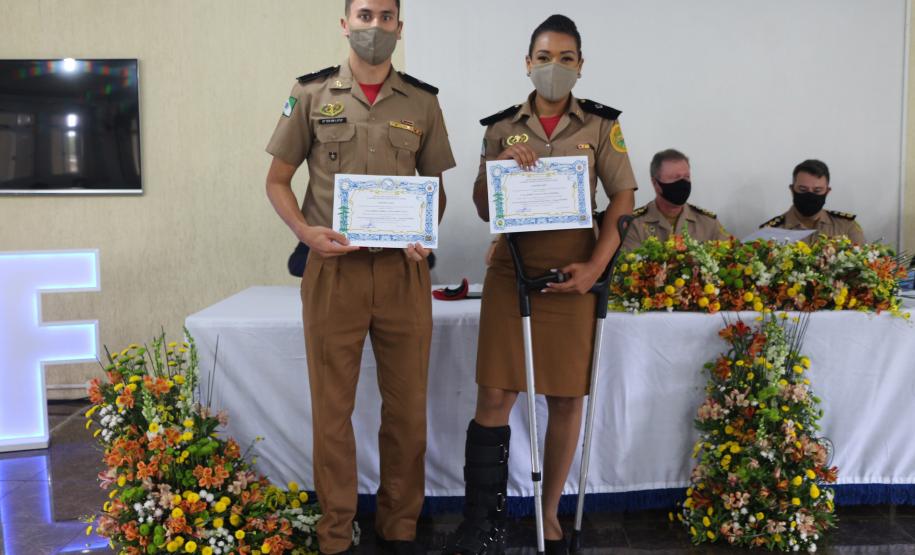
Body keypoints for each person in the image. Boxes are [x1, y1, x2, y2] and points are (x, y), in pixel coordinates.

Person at [264, 1, 456, 553]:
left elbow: (434, 188)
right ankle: (334, 533)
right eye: (364, 15)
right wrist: (304, 232)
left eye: (386, 17)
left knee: (407, 412)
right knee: (332, 412)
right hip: (334, 272)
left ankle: (399, 527)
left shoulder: (423, 101)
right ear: (345, 23)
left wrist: (425, 233)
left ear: (400, 26)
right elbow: (278, 180)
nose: (375, 27)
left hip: (402, 275)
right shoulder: (309, 95)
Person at [445, 14, 636, 555]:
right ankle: (483, 520)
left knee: (566, 396)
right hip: (514, 271)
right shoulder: (501, 126)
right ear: (528, 63)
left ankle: (549, 512)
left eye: (567, 58)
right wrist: (500, 164)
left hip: (575, 273)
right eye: (545, 57)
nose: (555, 67)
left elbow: (622, 198)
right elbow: (485, 207)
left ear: (580, 65)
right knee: (495, 393)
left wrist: (597, 268)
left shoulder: (601, 126)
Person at [621, 149, 728, 251]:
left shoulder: (707, 223)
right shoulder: (635, 225)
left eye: (686, 177)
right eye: (675, 178)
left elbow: (732, 259)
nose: (682, 183)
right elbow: (627, 265)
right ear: (655, 183)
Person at [759, 159, 865, 243]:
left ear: (827, 192)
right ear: (792, 190)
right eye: (803, 190)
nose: (810, 195)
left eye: (817, 190)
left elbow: (865, 266)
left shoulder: (846, 227)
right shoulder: (770, 231)